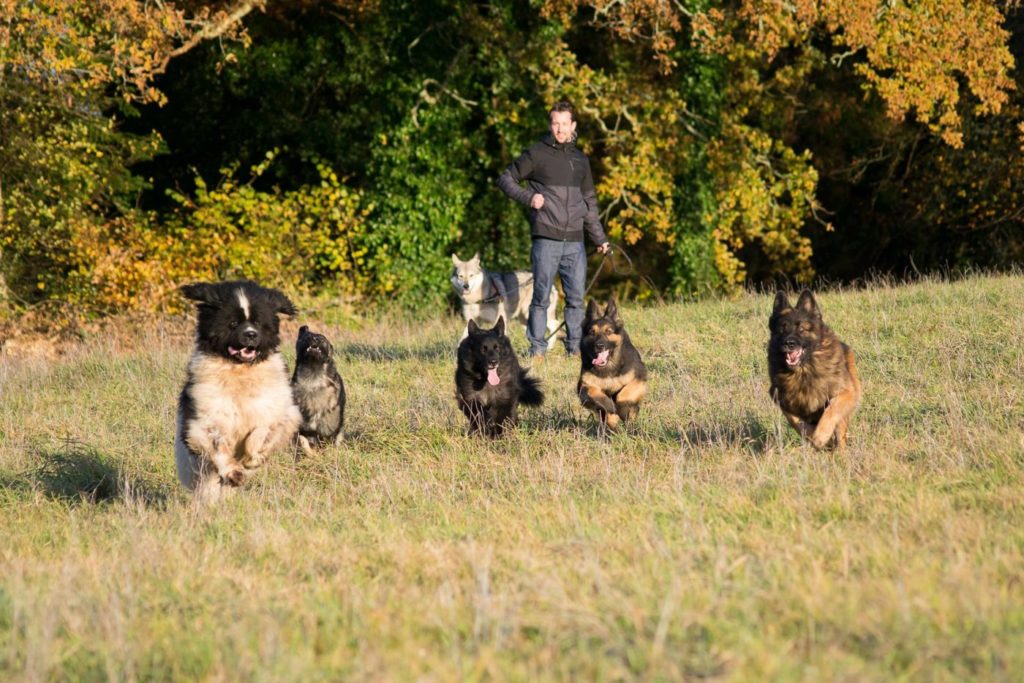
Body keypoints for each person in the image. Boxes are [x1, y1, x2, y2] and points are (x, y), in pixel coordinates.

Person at [497, 100, 611, 363]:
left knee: (576, 300)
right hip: (545, 239)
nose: (560, 129)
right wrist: (529, 198)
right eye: (555, 124)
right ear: (551, 125)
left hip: (575, 242)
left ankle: (574, 350)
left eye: (564, 124)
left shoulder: (581, 160)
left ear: (573, 126)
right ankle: (536, 350)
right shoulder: (536, 154)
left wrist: (600, 239)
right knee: (541, 297)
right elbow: (505, 179)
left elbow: (590, 204)